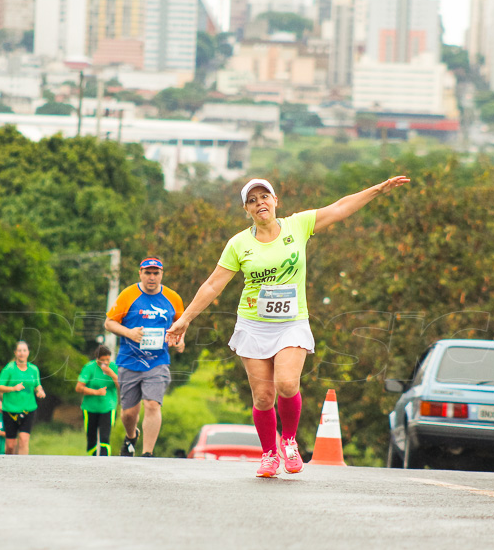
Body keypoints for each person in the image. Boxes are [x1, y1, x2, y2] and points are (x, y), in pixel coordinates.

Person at [166, 175, 410, 477]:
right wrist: (184, 319)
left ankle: (290, 442)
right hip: (253, 324)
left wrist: (377, 189)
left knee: (286, 384)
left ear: (275, 200)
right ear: (247, 210)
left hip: (291, 322)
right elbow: (213, 284)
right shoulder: (238, 244)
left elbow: (339, 208)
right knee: (263, 397)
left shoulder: (298, 225)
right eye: (252, 201)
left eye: (264, 197)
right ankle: (269, 454)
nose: (260, 204)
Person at [104, 258, 185, 457]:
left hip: (157, 361)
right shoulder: (128, 295)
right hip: (129, 360)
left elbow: (181, 324)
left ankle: (147, 453)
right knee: (129, 413)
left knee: (152, 404)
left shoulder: (172, 298)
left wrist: (180, 339)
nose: (151, 277)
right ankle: (131, 435)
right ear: (140, 273)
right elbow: (109, 323)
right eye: (147, 273)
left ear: (161, 275)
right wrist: (129, 333)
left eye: (155, 273)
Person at [0, 340, 46, 455]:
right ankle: (9, 467)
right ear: (15, 353)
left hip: (29, 409)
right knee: (10, 446)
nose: (22, 353)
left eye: (24, 350)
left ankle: (23, 469)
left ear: (28, 353)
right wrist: (13, 388)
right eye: (19, 351)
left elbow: (37, 385)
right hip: (10, 410)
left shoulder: (33, 369)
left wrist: (40, 391)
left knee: (23, 440)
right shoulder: (9, 369)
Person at [76, 346, 119, 456]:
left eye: (107, 360)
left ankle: (105, 461)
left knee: (105, 437)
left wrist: (112, 375)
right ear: (97, 359)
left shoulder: (114, 367)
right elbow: (79, 387)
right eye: (102, 360)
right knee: (91, 436)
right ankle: (92, 459)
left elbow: (122, 387)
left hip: (108, 406)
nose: (105, 362)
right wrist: (96, 392)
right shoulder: (89, 368)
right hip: (90, 407)